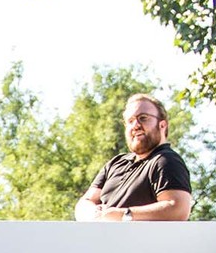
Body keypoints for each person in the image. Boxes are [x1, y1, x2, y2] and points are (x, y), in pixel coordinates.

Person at [74, 94, 193, 223]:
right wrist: (94, 215)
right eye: (130, 121)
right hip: (102, 241)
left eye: (143, 118)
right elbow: (86, 202)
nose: (135, 125)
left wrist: (123, 214)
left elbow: (178, 209)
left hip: (140, 243)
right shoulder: (116, 163)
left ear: (162, 125)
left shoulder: (166, 160)